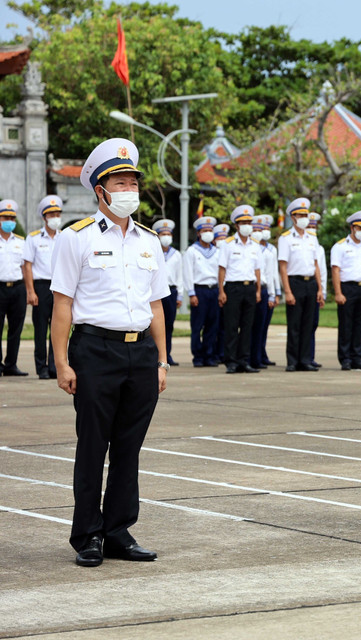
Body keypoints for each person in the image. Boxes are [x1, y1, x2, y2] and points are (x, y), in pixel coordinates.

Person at [50, 138, 169, 566]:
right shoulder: (74, 238)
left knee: (128, 447)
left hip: (140, 355)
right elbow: (62, 304)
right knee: (93, 445)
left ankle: (118, 530)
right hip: (95, 350)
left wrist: (161, 358)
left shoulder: (149, 240)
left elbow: (156, 305)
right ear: (99, 191)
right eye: (119, 182)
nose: (129, 190)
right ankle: (88, 535)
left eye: (133, 181)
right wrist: (61, 362)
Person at [278, 199, 325, 372]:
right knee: (295, 324)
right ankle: (292, 360)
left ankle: (305, 359)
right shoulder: (286, 238)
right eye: (301, 215)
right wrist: (287, 291)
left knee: (307, 324)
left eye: (306, 215)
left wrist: (320, 288)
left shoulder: (312, 238)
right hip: (295, 283)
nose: (304, 218)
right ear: (293, 217)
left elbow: (316, 265)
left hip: (310, 283)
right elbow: (283, 267)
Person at [218, 205, 262, 374]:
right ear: (236, 225)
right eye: (243, 222)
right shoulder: (228, 244)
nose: (247, 225)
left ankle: (244, 360)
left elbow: (257, 269)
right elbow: (222, 268)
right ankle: (231, 361)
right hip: (233, 288)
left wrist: (258, 290)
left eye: (249, 222)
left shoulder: (255, 245)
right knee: (231, 325)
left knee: (247, 326)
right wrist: (221, 291)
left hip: (249, 287)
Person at [23, 195, 62, 378]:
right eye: (51, 214)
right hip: (41, 286)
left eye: (57, 213)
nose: (55, 217)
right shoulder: (33, 238)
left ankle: (55, 366)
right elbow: (27, 265)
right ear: (44, 217)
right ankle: (42, 368)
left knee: (58, 328)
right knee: (40, 330)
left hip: (60, 287)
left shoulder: (65, 237)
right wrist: (30, 291)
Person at [331, 210, 361, 370]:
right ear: (352, 228)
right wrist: (338, 292)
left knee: (360, 324)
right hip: (347, 288)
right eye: (360, 228)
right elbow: (336, 270)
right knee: (346, 325)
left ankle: (357, 357)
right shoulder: (340, 246)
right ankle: (345, 358)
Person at [183, 215, 220, 367]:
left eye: (210, 230)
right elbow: (188, 273)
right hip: (199, 290)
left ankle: (209, 355)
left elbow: (221, 272)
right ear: (198, 233)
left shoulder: (217, 251)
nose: (208, 233)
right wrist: (191, 293)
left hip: (214, 290)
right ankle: (197, 356)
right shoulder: (192, 251)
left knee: (212, 325)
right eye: (204, 230)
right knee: (197, 326)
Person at [0, 199, 27, 376]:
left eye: (11, 217)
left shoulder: (21, 241)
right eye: (5, 217)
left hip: (18, 287)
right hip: (0, 287)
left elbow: (26, 266)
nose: (9, 221)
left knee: (16, 328)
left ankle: (11, 364)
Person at [249, 214, 278, 369]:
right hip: (251, 288)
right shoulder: (252, 248)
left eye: (265, 229)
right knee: (250, 326)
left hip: (265, 288)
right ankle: (250, 357)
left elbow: (272, 273)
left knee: (262, 326)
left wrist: (274, 293)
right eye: (258, 229)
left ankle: (259, 355)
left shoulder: (270, 249)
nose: (262, 232)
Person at [152, 219, 182, 366]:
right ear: (157, 235)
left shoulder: (176, 254)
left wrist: (180, 294)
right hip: (155, 292)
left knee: (168, 325)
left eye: (168, 233)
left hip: (171, 291)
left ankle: (166, 355)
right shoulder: (151, 251)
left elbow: (180, 275)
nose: (166, 236)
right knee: (153, 325)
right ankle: (154, 355)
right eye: (163, 234)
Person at [306, 211, 328, 368]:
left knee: (313, 323)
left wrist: (323, 291)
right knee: (304, 324)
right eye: (309, 226)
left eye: (314, 226)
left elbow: (323, 272)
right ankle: (303, 357)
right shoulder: (306, 244)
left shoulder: (318, 247)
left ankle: (310, 356)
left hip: (316, 288)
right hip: (306, 286)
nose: (312, 229)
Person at [212, 223, 230, 363]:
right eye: (220, 238)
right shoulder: (212, 253)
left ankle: (223, 352)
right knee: (214, 325)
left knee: (225, 325)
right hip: (213, 290)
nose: (222, 241)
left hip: (227, 291)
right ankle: (213, 353)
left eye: (225, 237)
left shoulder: (227, 251)